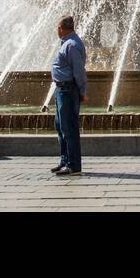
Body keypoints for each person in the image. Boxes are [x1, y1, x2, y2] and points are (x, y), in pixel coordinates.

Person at [51, 15, 87, 176]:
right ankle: (65, 160)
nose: (56, 30)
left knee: (69, 128)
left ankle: (73, 165)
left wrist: (82, 91)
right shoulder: (67, 43)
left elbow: (79, 71)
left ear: (61, 28)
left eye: (57, 27)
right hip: (61, 90)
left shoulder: (71, 45)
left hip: (68, 90)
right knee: (61, 127)